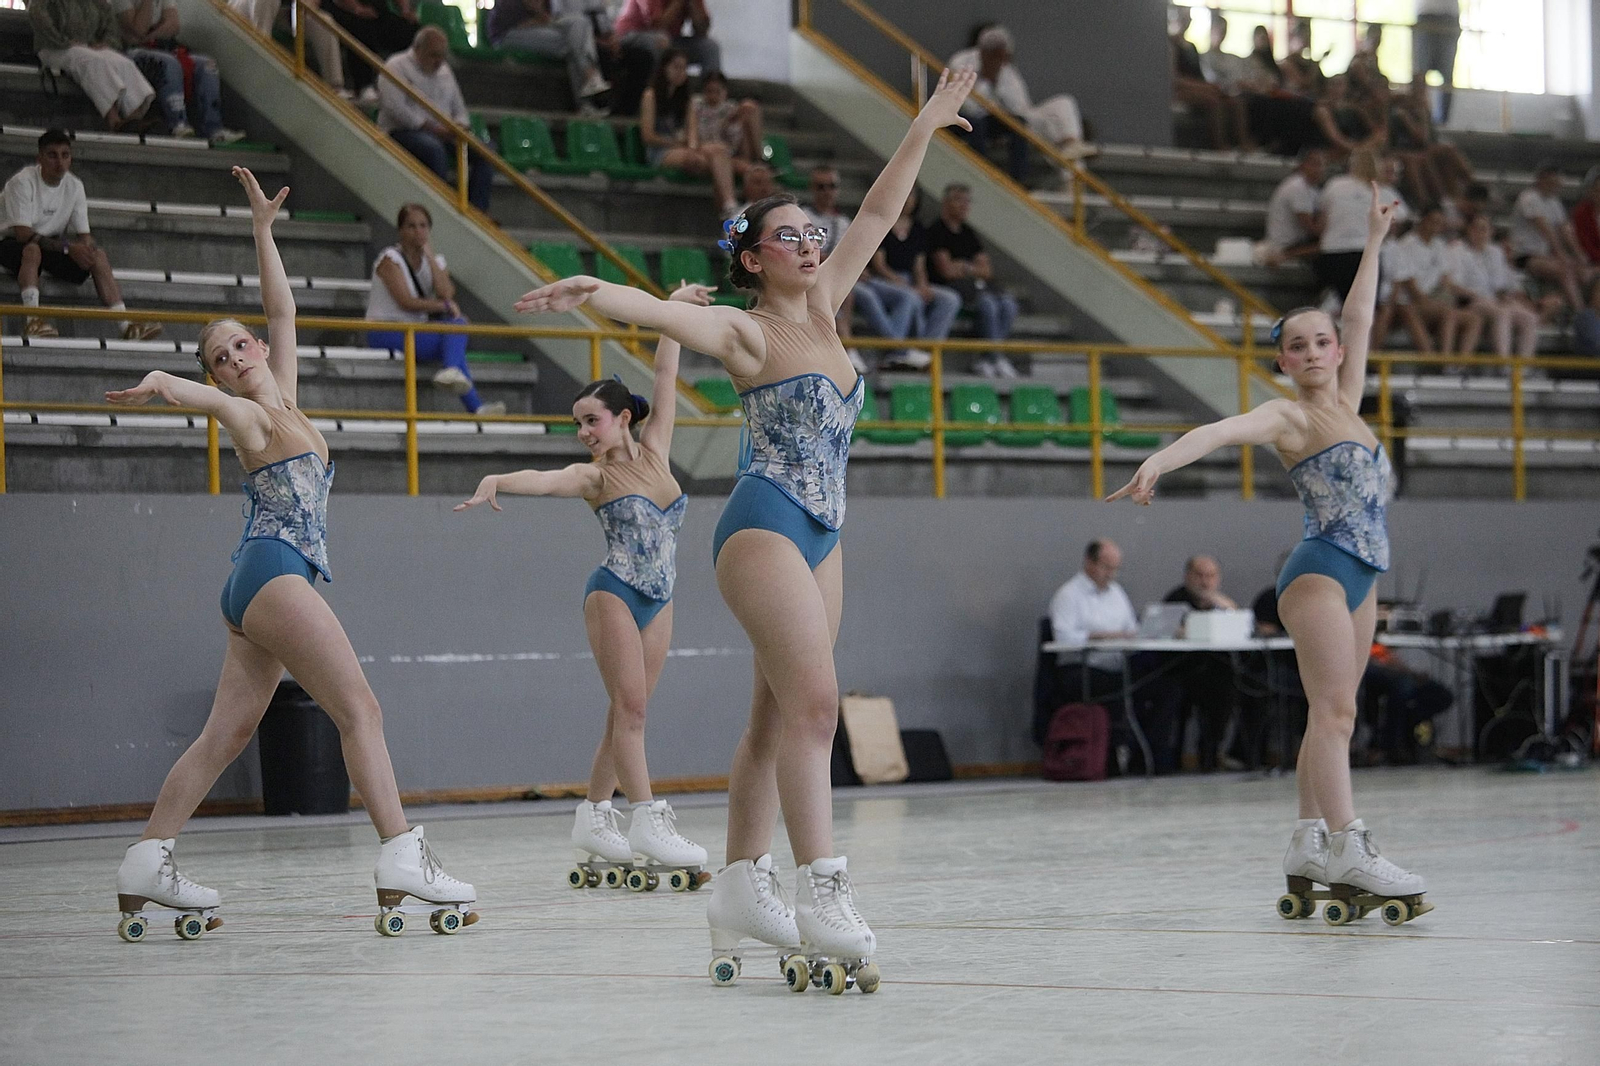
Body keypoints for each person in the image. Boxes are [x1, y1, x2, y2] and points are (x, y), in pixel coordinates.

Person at [512, 67, 977, 992]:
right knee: (815, 708)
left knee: (773, 721)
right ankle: (822, 892)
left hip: (825, 535)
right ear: (754, 260)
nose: (810, 243)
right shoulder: (749, 333)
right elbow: (662, 311)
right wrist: (600, 289)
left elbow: (882, 213)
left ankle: (736, 886)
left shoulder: (832, 304)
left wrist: (922, 121)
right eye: (788, 236)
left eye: (813, 231)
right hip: (762, 528)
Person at [104, 167, 478, 942]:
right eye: (221, 356)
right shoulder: (248, 417)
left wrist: (263, 233)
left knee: (225, 736)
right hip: (273, 572)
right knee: (360, 710)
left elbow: (282, 308)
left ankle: (146, 860)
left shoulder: (288, 398)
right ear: (217, 374)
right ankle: (403, 855)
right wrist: (171, 383)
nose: (238, 355)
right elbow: (210, 402)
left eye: (240, 343)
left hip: (255, 585)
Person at [1109, 181, 1428, 920]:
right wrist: (1159, 461)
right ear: (1282, 361)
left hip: (1365, 574)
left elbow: (1360, 310)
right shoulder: (1287, 416)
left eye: (1323, 341)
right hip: (1318, 573)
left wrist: (1374, 240)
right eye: (1297, 345)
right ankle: (1349, 844)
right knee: (1336, 710)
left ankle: (1308, 839)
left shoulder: (1349, 398)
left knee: (1331, 715)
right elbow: (1218, 433)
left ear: (1338, 352)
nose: (1313, 350)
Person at [455, 283, 713, 889]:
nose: (584, 433)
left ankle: (595, 817)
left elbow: (666, 365)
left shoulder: (657, 450)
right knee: (631, 709)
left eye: (591, 421)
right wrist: (498, 477)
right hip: (615, 593)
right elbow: (546, 478)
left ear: (622, 417)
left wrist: (672, 306)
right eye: (577, 425)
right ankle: (647, 818)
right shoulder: (592, 478)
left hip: (661, 600)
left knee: (627, 714)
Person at [0, 129, 161, 341]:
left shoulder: (75, 186)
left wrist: (87, 250)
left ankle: (126, 325)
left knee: (98, 255)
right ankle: (33, 320)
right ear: (39, 159)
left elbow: (85, 235)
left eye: (65, 155)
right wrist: (68, 248)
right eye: (52, 155)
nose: (59, 162)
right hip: (9, 244)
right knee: (32, 250)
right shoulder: (22, 182)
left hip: (49, 246)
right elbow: (22, 234)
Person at [365, 203, 504, 416]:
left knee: (457, 327)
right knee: (456, 330)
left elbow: (446, 292)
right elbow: (406, 301)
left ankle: (471, 399)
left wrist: (429, 257)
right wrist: (443, 306)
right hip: (385, 330)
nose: (418, 231)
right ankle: (470, 399)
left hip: (414, 331)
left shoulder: (435, 261)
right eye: (411, 226)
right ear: (401, 230)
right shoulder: (389, 259)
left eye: (423, 226)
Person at [948, 24, 1091, 184]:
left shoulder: (1007, 69)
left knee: (1064, 103)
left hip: (1007, 119)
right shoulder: (960, 62)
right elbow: (965, 106)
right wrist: (987, 82)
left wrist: (997, 84)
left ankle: (1070, 143)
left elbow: (1021, 107)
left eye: (1003, 57)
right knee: (986, 124)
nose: (1001, 61)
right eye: (996, 55)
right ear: (983, 52)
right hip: (969, 120)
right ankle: (999, 177)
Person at [376, 27, 492, 214]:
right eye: (433, 55)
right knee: (433, 149)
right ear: (417, 49)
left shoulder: (445, 71)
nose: (439, 61)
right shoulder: (396, 66)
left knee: (486, 152)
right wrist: (429, 127)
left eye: (442, 56)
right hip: (403, 131)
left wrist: (460, 126)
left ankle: (477, 212)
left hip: (445, 133)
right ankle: (441, 209)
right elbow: (396, 108)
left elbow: (459, 108)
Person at [1037, 538, 1138, 744]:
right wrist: (1101, 636)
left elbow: (1132, 629)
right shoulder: (1069, 595)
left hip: (1116, 665)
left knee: (1162, 685)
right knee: (1118, 686)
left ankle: (1152, 757)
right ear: (1089, 563)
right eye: (1106, 567)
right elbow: (1064, 639)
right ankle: (1108, 750)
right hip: (1079, 667)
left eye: (1115, 568)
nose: (1111, 574)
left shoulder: (1117, 593)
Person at [112, 0, 244, 143]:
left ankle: (213, 128)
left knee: (207, 65)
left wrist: (150, 37)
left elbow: (173, 25)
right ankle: (177, 124)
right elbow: (138, 29)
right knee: (169, 63)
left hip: (158, 47)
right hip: (129, 53)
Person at [927, 182, 1020, 378]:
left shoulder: (969, 233)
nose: (965, 205)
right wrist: (972, 269)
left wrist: (964, 266)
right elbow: (947, 271)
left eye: (968, 201)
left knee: (1008, 304)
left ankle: (988, 358)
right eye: (959, 200)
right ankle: (995, 358)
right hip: (952, 287)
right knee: (987, 305)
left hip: (976, 286)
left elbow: (987, 271)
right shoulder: (937, 231)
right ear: (946, 202)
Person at [1157, 555, 1240, 772]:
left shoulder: (1221, 604)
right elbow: (1166, 632)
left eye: (1211, 576)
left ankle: (1213, 753)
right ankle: (1170, 760)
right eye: (1200, 576)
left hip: (1213, 671)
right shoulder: (1175, 600)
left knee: (1229, 687)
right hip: (1178, 670)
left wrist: (1228, 610)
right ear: (1188, 577)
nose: (1205, 582)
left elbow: (1237, 625)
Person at [864, 185, 958, 372]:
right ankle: (897, 351)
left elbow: (919, 265)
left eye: (910, 195)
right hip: (882, 280)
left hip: (908, 279)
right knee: (909, 296)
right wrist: (901, 283)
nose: (906, 199)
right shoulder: (882, 223)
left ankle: (924, 349)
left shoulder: (917, 229)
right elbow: (879, 265)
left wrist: (922, 284)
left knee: (950, 299)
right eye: (902, 194)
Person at [640, 48, 741, 217]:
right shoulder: (650, 96)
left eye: (684, 69)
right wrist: (677, 143)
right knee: (715, 163)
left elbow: (692, 131)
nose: (681, 73)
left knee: (718, 152)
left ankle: (729, 206)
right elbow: (648, 136)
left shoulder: (686, 99)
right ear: (665, 68)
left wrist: (693, 147)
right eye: (676, 67)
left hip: (682, 146)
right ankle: (729, 207)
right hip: (660, 150)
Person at [28, 0, 157, 133]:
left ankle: (133, 120)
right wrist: (63, 41)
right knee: (93, 61)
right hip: (53, 47)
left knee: (124, 63)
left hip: (87, 45)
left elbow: (109, 19)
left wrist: (106, 42)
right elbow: (37, 14)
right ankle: (114, 121)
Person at [1448, 214, 1541, 359]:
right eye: (1477, 229)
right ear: (1469, 230)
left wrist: (1507, 298)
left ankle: (1524, 368)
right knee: (1502, 313)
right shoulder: (1457, 250)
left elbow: (1501, 286)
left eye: (1485, 229)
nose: (1481, 233)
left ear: (1491, 232)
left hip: (1493, 301)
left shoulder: (1495, 252)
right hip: (1469, 302)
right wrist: (1477, 296)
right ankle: (1503, 365)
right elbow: (1453, 285)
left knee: (1529, 318)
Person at [486, 0, 609, 109]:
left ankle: (589, 92)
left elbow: (548, 18)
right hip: (508, 35)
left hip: (541, 26)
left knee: (580, 23)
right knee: (574, 43)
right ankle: (588, 87)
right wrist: (538, 12)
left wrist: (541, 13)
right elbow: (516, 23)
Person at [1510, 163, 1593, 313]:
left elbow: (1566, 231)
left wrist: (1580, 255)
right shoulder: (1529, 198)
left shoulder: (1554, 202)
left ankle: (1553, 302)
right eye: (1553, 183)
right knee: (1565, 270)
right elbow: (1546, 231)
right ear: (1542, 179)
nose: (1556, 188)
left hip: (1545, 256)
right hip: (1526, 256)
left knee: (1584, 273)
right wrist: (1562, 255)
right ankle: (1582, 314)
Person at [1169, 6, 1250, 151]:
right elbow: (1174, 78)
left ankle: (1242, 144)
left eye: (1189, 18)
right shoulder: (1170, 44)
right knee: (1214, 101)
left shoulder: (1191, 46)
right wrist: (1203, 87)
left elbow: (1200, 75)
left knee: (1235, 101)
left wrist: (1210, 87)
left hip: (1199, 87)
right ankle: (1219, 146)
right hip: (1180, 91)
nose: (1187, 22)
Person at [231, 0, 347, 97]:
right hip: (245, 7)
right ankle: (263, 60)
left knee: (324, 21)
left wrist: (301, 13)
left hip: (284, 12)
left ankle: (335, 86)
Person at [326, 0, 417, 96]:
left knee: (413, 31)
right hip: (344, 10)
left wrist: (405, 10)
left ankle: (417, 83)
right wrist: (357, 8)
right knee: (362, 27)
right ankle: (364, 87)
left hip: (376, 11)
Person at [615, 0, 720, 76]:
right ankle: (653, 93)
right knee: (660, 40)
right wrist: (678, 2)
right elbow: (656, 26)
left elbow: (702, 31)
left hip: (668, 39)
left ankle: (711, 97)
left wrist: (694, 6)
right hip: (632, 35)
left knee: (710, 47)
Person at [1261, 148, 1325, 266]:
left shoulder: (1313, 190)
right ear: (1302, 165)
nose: (1318, 169)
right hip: (1285, 244)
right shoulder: (1297, 186)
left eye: (1321, 165)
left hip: (1298, 241)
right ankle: (1284, 256)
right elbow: (1309, 226)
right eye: (1314, 164)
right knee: (1331, 245)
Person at [692, 71, 762, 168]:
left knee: (749, 106)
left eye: (717, 91)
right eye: (709, 91)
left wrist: (733, 120)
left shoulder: (730, 108)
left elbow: (734, 137)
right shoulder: (697, 105)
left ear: (725, 91)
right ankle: (753, 163)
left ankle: (759, 158)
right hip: (710, 148)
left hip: (733, 147)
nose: (713, 96)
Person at [1412, 0, 1460, 123]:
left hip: (1448, 16)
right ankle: (1419, 117)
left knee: (1447, 76)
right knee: (1420, 74)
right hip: (1427, 13)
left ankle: (1442, 120)